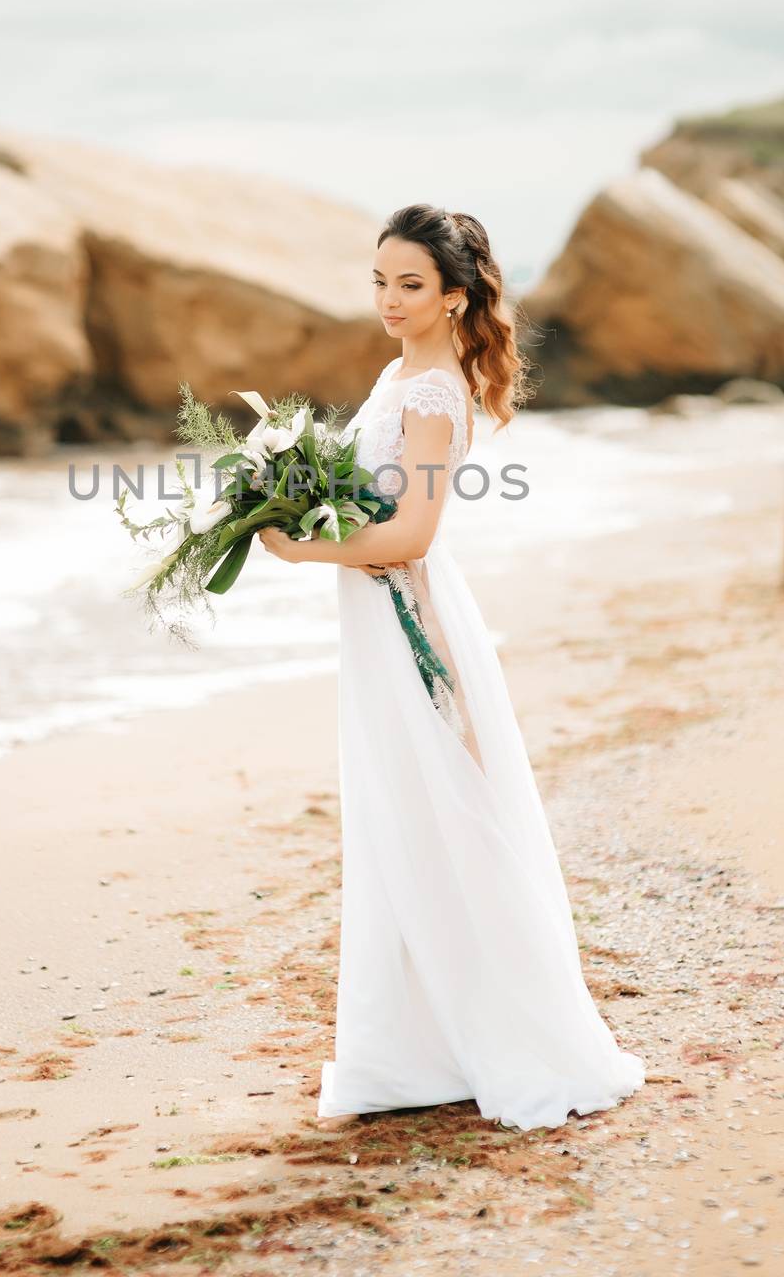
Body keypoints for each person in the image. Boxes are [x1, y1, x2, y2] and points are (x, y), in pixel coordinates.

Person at [258, 203, 646, 1132]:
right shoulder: (402, 372)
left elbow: (415, 533)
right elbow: (376, 505)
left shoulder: (434, 393)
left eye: (411, 285)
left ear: (455, 297)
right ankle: (424, 1042)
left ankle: (506, 1035)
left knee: (443, 812)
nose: (390, 301)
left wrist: (298, 549)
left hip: (408, 617)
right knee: (406, 817)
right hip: (378, 616)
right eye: (380, 281)